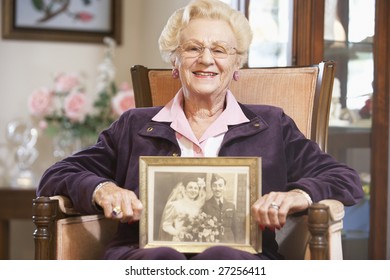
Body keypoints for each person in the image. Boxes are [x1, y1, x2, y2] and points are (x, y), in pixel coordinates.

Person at [37, 0, 364, 260]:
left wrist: (295, 196)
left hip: (242, 260)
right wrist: (103, 189)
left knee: (222, 256)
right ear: (174, 62)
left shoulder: (272, 126)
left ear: (237, 65)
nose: (206, 59)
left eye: (220, 50)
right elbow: (58, 174)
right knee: (159, 257)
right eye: (192, 48)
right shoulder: (134, 126)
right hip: (144, 258)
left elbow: (344, 179)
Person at [159, 174, 206, 241]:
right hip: (179, 240)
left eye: (196, 188)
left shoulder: (198, 207)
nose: (193, 190)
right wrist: (178, 233)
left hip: (194, 241)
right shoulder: (174, 205)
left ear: (198, 191)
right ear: (185, 189)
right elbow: (166, 225)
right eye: (190, 187)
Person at [202, 173, 239, 243]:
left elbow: (235, 228)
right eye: (214, 186)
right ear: (211, 188)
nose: (217, 189)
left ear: (225, 187)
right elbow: (203, 227)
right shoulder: (206, 205)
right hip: (212, 241)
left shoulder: (231, 206)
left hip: (229, 241)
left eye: (220, 185)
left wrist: (237, 244)